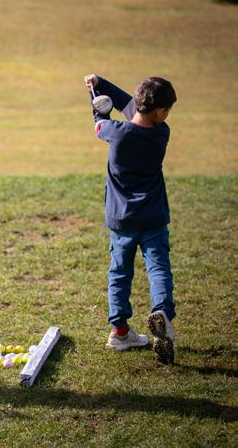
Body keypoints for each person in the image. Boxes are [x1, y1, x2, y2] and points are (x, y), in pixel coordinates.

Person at [84, 73, 176, 364]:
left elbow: (100, 120)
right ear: (160, 112)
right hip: (153, 218)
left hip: (121, 219)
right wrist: (103, 85)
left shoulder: (115, 132)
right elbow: (130, 107)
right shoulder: (161, 133)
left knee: (120, 274)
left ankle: (120, 331)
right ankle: (162, 313)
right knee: (158, 269)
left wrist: (96, 91)